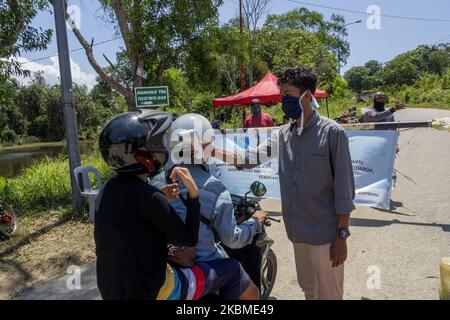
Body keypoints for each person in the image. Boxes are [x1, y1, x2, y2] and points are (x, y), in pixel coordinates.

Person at [211, 67, 356, 300]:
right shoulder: (282, 135)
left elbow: (345, 191)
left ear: (307, 96)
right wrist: (208, 149)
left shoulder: (332, 134)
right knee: (309, 288)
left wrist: (342, 235)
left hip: (326, 235)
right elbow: (247, 159)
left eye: (288, 95)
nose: (283, 102)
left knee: (329, 294)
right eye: (282, 96)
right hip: (298, 233)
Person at [95, 110, 258, 300]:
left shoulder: (111, 190)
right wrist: (194, 196)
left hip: (117, 287)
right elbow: (198, 238)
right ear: (145, 154)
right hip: (161, 287)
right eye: (156, 145)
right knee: (235, 271)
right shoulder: (213, 190)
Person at [151, 113, 267, 297]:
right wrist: (254, 222)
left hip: (169, 262)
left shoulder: (156, 182)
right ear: (207, 146)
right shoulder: (217, 190)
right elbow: (232, 240)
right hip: (204, 265)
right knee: (253, 293)